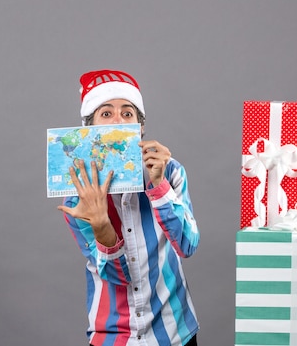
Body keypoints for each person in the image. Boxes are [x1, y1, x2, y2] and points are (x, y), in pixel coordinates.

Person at [58, 69, 199, 346]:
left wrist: (158, 187)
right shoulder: (76, 198)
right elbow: (117, 276)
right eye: (106, 114)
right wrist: (100, 225)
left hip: (174, 333)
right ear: (89, 128)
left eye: (127, 113)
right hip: (113, 336)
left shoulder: (171, 172)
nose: (117, 121)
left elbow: (187, 245)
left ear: (140, 126)